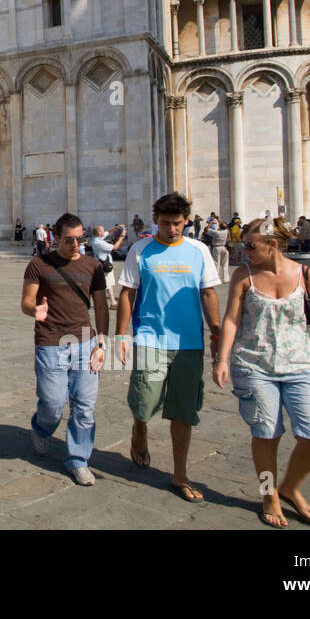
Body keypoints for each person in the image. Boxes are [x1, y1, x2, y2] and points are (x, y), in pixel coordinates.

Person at [215, 216, 310, 527]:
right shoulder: (244, 275)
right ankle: (269, 495)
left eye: (250, 245)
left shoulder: (305, 274)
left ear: (273, 245)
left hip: (299, 366)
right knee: (266, 434)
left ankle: (290, 488)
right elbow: (231, 320)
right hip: (254, 365)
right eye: (242, 245)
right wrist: (222, 359)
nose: (244, 250)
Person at [115, 192, 222, 503]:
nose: (172, 229)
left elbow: (208, 295)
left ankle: (180, 473)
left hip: (189, 341)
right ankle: (140, 427)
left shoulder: (199, 250)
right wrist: (121, 336)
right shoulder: (141, 250)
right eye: (165, 223)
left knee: (184, 410)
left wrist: (216, 337)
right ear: (155, 220)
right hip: (150, 336)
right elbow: (127, 294)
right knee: (144, 397)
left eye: (177, 224)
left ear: (186, 221)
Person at [22, 213, 109, 485]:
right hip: (50, 341)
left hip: (85, 340)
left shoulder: (92, 266)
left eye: (80, 238)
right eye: (69, 239)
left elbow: (101, 306)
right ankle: (41, 426)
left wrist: (102, 342)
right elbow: (25, 301)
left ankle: (78, 459)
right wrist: (34, 309)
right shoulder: (39, 264)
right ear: (56, 237)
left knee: (84, 407)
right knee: (53, 404)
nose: (75, 244)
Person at [89, 224, 126, 309]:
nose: (104, 231)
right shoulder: (98, 242)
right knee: (108, 284)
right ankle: (113, 303)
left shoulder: (97, 239)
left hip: (103, 264)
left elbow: (108, 232)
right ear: (98, 232)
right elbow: (115, 247)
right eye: (102, 230)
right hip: (104, 265)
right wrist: (121, 238)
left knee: (108, 284)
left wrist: (116, 227)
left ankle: (113, 302)